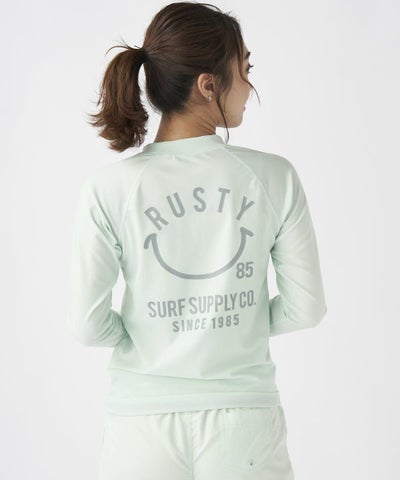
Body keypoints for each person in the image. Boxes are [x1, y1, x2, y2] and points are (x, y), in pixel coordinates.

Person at [68, 2, 327, 479]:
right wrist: (233, 324)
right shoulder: (273, 177)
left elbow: (87, 326)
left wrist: (154, 332)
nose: (248, 86)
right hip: (243, 422)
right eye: (245, 70)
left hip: (140, 423)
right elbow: (306, 308)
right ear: (209, 85)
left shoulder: (109, 188)